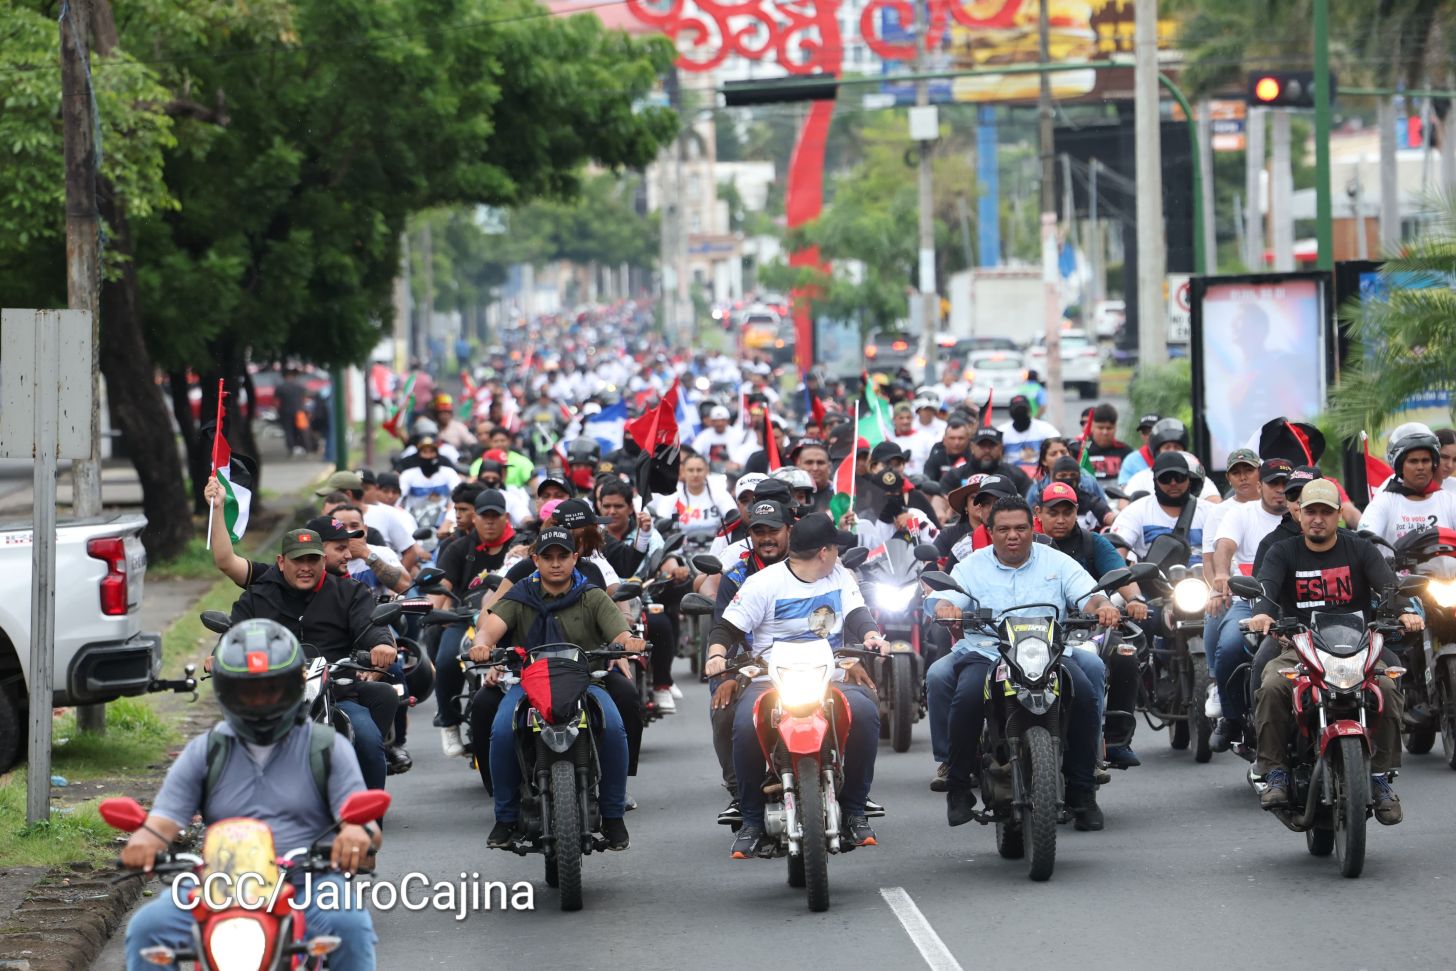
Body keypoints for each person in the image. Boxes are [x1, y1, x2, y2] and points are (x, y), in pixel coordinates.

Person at [123, 619, 379, 971]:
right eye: (248, 690)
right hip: (221, 886)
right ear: (227, 691)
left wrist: (355, 833)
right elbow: (161, 822)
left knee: (350, 926)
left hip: (308, 885)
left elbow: (363, 822)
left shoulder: (327, 748)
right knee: (147, 928)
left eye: (271, 688)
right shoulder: (206, 751)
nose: (259, 700)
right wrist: (144, 840)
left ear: (293, 687)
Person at [925, 496, 1120, 831]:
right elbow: (943, 598)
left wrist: (1102, 606)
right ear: (990, 531)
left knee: (1085, 695)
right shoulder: (971, 566)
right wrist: (945, 607)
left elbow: (1090, 594)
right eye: (1003, 529)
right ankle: (958, 788)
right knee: (969, 696)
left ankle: (1083, 792)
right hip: (988, 653)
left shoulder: (1057, 562)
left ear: (1034, 528)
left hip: (1050, 654)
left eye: (1020, 528)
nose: (1012, 535)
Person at [705, 515, 889, 858]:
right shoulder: (763, 583)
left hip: (828, 677)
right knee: (744, 725)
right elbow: (726, 629)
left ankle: (853, 811)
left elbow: (857, 614)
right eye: (836, 548)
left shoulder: (840, 576)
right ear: (824, 551)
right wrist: (716, 655)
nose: (837, 554)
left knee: (864, 711)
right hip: (768, 681)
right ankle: (751, 821)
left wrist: (871, 636)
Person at [1249, 479, 1417, 823]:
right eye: (1311, 511)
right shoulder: (1283, 551)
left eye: (1326, 512)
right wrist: (1262, 614)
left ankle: (1380, 777)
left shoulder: (1361, 549)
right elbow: (1266, 588)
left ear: (1339, 515)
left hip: (1359, 646)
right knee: (1270, 685)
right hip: (1300, 645)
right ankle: (1275, 771)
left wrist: (1404, 611)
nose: (1318, 518)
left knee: (1388, 685)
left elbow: (1389, 587)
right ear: (1299, 514)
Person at [466, 528, 645, 850]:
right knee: (502, 732)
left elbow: (618, 632)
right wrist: (481, 645)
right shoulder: (520, 594)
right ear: (535, 560)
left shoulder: (592, 595)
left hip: (585, 682)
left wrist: (629, 642)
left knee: (616, 729)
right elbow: (488, 631)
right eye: (547, 557)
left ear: (575, 558)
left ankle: (614, 815)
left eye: (563, 556)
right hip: (527, 685)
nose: (556, 564)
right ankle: (505, 818)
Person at [227, 529, 399, 790]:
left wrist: (381, 644)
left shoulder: (349, 591)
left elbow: (369, 624)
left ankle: (369, 822)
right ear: (282, 561)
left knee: (367, 739)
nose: (306, 567)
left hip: (338, 695)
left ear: (322, 561)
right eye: (298, 560)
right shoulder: (258, 595)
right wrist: (219, 654)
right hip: (273, 700)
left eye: (312, 560)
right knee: (233, 744)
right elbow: (236, 633)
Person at [1036, 481, 1150, 768]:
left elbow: (1120, 575)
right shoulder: (1027, 544)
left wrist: (1135, 600)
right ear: (1038, 513)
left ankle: (1115, 739)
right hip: (1033, 631)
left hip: (1088, 628)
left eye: (1067, 512)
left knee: (1125, 655)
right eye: (1053, 512)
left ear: (1077, 512)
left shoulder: (1092, 542)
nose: (1060, 519)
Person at [706, 498, 794, 825]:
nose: (767, 538)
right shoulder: (736, 576)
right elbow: (724, 631)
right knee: (725, 714)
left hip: (810, 666)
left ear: (790, 531)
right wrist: (727, 674)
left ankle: (851, 792)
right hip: (749, 668)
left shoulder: (809, 566)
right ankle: (740, 795)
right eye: (759, 531)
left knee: (857, 705)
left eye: (774, 530)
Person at [1206, 458, 1291, 750]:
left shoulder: (1305, 517)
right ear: (1260, 486)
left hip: (1297, 603)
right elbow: (1224, 546)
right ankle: (1231, 718)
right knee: (1229, 646)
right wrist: (1220, 575)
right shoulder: (1240, 514)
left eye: (1286, 484)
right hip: (1249, 600)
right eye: (1273, 484)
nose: (1280, 490)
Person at [433, 488, 518, 758]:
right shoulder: (457, 548)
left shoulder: (521, 547)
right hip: (465, 619)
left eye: (495, 516)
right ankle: (448, 722)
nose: (490, 521)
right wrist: (433, 611)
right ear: (475, 519)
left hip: (510, 617)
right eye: (484, 516)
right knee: (447, 659)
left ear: (506, 517)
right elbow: (440, 587)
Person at [1110, 451, 1212, 564]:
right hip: (1150, 581)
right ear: (1155, 481)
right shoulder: (1134, 512)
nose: (1173, 483)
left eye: (1179, 477)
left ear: (1189, 479)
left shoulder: (1210, 512)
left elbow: (1226, 552)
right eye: (1166, 478)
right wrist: (1125, 578)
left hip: (1204, 580)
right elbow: (1115, 556)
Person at [1359, 423, 1456, 542]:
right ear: (1400, 466)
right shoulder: (1384, 502)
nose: (1420, 467)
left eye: (1425, 460)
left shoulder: (1450, 502)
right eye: (1413, 461)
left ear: (1434, 463)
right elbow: (1363, 542)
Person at [998, 394, 1060, 471]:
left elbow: (1058, 449)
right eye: (1017, 411)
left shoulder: (1046, 428)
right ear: (1010, 413)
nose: (1020, 414)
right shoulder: (1001, 431)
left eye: (1023, 410)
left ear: (1029, 410)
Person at [1083, 403, 1132, 482]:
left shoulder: (1126, 452)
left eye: (1109, 428)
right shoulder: (1083, 450)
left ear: (1115, 427)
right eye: (1100, 428)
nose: (1105, 432)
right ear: (1092, 427)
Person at [1116, 413, 1164, 485]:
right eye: (1145, 432)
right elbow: (1124, 489)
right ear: (1141, 436)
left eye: (1154, 431)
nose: (1150, 436)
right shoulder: (1131, 460)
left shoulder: (1176, 455)